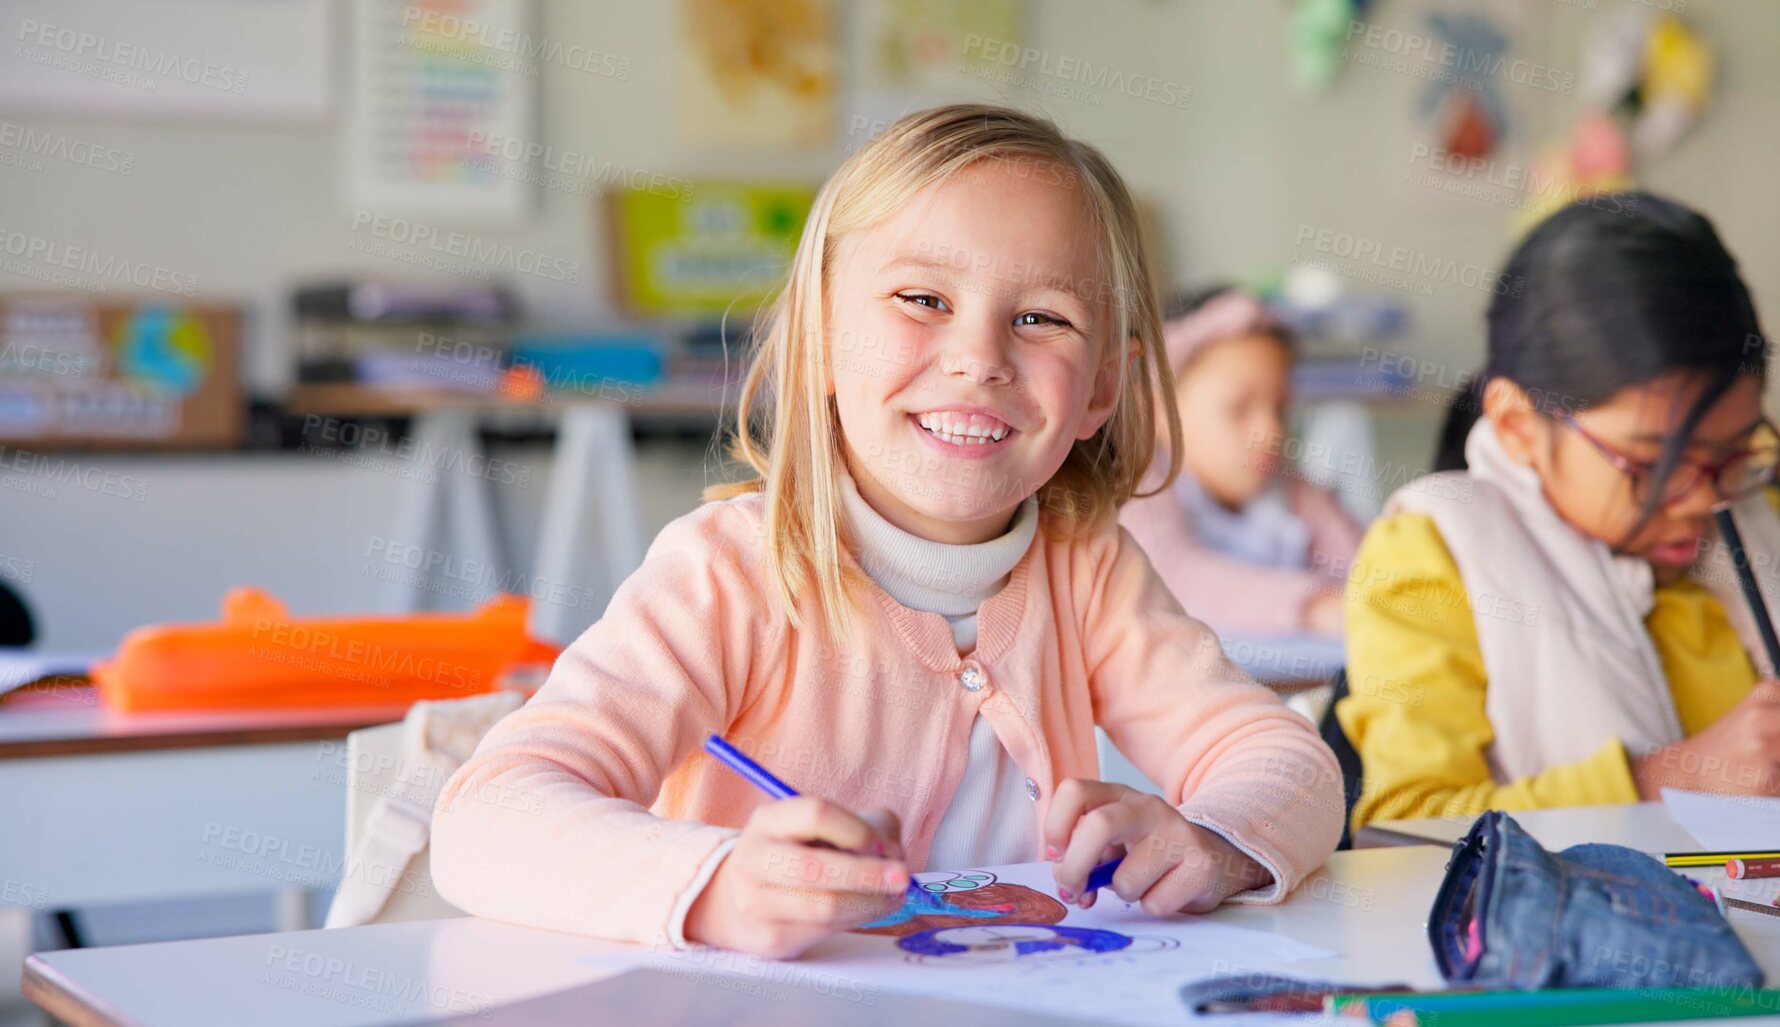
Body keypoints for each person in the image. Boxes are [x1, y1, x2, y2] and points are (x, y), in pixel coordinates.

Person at [431, 105, 1343, 958]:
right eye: (920, 299)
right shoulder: (729, 571)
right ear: (822, 335)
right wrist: (713, 884)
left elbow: (1288, 762)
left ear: (1103, 387)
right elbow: (488, 816)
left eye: (1040, 319)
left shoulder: (1086, 565)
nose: (979, 357)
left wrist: (1215, 841)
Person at [1338, 193, 1780, 830]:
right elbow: (1402, 830)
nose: (1703, 498)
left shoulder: (1753, 529)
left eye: (1734, 453)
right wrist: (1668, 780)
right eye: (1652, 465)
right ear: (1519, 426)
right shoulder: (1431, 557)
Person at [1119, 288, 1362, 636]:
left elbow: (1366, 565)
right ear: (1156, 410)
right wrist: (1316, 606)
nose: (1270, 431)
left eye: (1280, 408)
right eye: (1238, 408)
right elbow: (1172, 577)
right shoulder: (1140, 489)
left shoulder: (1292, 491)